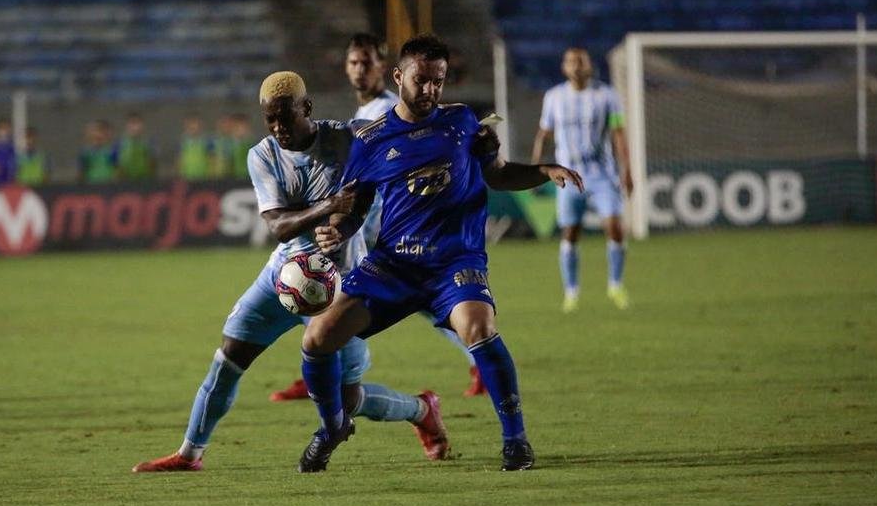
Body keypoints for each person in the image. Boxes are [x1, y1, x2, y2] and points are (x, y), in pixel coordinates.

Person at [132, 71, 449, 472]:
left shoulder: (345, 139)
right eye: (271, 120)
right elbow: (279, 227)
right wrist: (330, 205)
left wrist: (440, 135)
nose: (279, 128)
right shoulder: (261, 155)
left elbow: (386, 147)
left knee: (347, 399)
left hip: (341, 286)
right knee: (228, 357)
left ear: (308, 108)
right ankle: (189, 454)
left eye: (287, 117)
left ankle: (421, 410)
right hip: (284, 276)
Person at [296, 34, 583, 472]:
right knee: (316, 339)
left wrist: (544, 170)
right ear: (399, 76)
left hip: (454, 263)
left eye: (438, 81)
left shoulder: (463, 122)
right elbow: (354, 209)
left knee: (479, 327)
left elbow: (499, 175)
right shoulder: (370, 140)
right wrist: (336, 232)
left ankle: (516, 440)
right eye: (421, 80)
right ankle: (332, 426)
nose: (430, 89)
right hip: (393, 265)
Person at [270, 33, 486, 403]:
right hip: (369, 230)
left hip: (389, 231)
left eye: (367, 62)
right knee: (348, 297)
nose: (360, 70)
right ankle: (320, 371)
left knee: (328, 294)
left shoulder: (388, 113)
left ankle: (322, 374)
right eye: (354, 62)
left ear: (385, 69)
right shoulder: (364, 113)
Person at [531, 47, 633, 313]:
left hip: (602, 174)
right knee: (570, 233)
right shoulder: (554, 97)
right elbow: (544, 133)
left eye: (581, 61)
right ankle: (572, 292)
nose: (576, 66)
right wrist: (536, 169)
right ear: (564, 68)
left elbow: (619, 134)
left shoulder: (607, 95)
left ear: (589, 66)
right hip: (568, 175)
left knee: (614, 227)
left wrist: (627, 170)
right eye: (570, 62)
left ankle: (615, 285)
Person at [114, 113, 157, 180]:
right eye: (132, 123)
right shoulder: (119, 144)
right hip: (125, 181)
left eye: (138, 123)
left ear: (142, 125)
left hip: (144, 180)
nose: (135, 127)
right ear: (127, 126)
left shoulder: (148, 143)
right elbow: (117, 166)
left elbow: (153, 164)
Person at [78, 120, 117, 184]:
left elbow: (116, 170)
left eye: (100, 131)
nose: (97, 134)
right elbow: (81, 172)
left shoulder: (111, 152)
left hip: (108, 185)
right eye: (94, 131)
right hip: (91, 186)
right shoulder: (85, 153)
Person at [177, 116, 214, 180]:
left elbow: (212, 158)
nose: (193, 128)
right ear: (186, 127)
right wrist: (180, 174)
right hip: (187, 176)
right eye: (190, 126)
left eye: (195, 125)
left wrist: (211, 174)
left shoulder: (207, 141)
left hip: (204, 176)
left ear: (201, 126)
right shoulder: (183, 141)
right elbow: (180, 158)